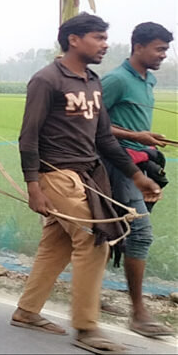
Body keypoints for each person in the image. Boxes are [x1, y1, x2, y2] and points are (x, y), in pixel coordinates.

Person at [10, 13, 161, 355]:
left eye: (105, 38)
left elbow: (105, 139)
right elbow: (28, 137)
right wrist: (33, 185)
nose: (105, 45)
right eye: (98, 37)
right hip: (55, 174)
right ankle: (86, 327)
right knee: (96, 239)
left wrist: (138, 176)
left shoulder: (92, 81)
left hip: (86, 174)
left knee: (58, 243)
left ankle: (27, 311)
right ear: (74, 39)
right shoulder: (47, 80)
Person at [100, 22, 174, 337]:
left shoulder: (149, 79)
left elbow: (132, 123)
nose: (163, 55)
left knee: (109, 230)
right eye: (159, 48)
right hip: (117, 164)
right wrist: (136, 136)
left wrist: (148, 140)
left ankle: (92, 295)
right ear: (138, 46)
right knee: (139, 233)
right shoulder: (116, 79)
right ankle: (138, 312)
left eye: (166, 50)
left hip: (139, 162)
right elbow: (92, 121)